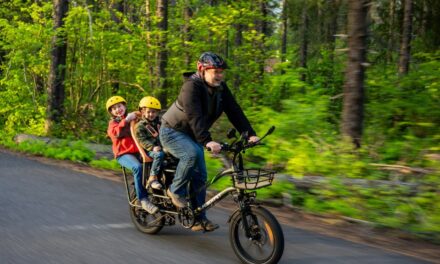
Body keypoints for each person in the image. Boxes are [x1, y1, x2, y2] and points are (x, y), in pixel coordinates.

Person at [159, 52, 259, 232]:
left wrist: (250, 133)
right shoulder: (191, 87)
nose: (220, 75)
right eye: (216, 71)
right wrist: (207, 141)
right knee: (191, 154)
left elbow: (234, 111)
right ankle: (175, 191)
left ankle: (198, 218)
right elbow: (194, 116)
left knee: (200, 176)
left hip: (193, 135)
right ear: (201, 69)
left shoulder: (221, 88)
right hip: (172, 131)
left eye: (222, 71)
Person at [106, 95, 159, 214]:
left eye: (119, 106)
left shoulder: (135, 117)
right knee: (138, 167)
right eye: (114, 109)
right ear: (111, 112)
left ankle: (157, 187)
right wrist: (126, 120)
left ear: (124, 106)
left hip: (139, 151)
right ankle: (143, 200)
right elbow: (116, 133)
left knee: (160, 160)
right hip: (123, 154)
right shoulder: (113, 123)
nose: (118, 109)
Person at [135, 96, 164, 190]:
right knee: (159, 155)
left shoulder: (159, 124)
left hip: (160, 148)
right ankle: (152, 178)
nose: (151, 114)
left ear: (157, 113)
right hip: (147, 151)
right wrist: (152, 147)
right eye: (148, 112)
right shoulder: (140, 126)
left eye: (153, 112)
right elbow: (141, 140)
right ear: (143, 112)